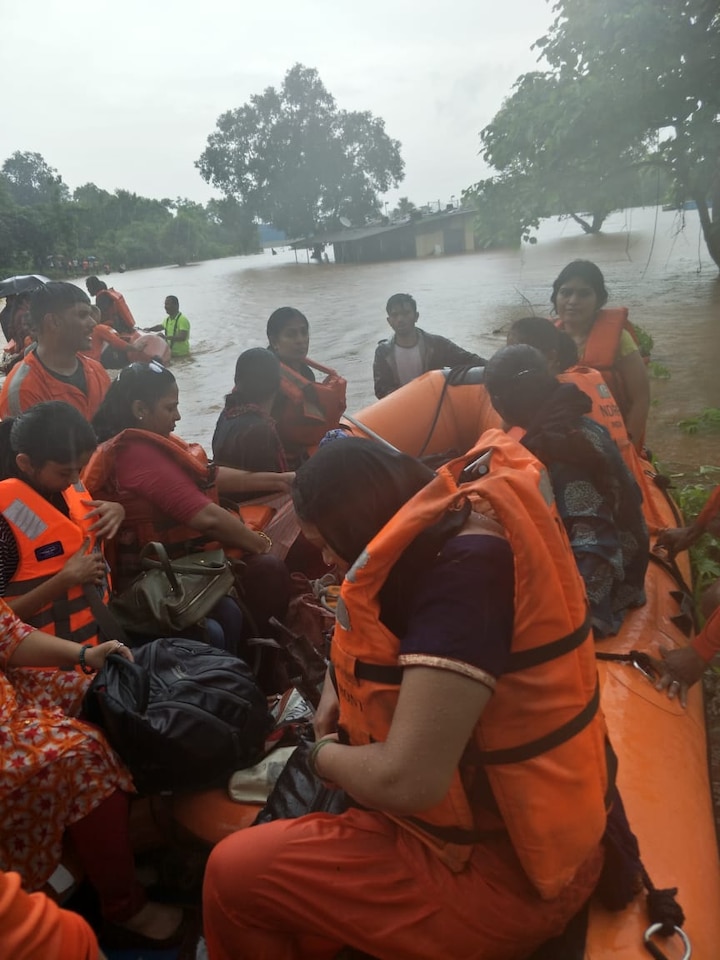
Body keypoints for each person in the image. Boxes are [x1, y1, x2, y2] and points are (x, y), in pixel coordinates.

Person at [203, 436, 609, 960]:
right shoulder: (437, 539)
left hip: (492, 875)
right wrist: (333, 690)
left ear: (361, 523)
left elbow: (409, 779)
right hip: (472, 835)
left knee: (230, 876)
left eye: (328, 544)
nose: (328, 562)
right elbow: (361, 637)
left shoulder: (463, 586)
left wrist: (320, 755)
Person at [0, 604, 183, 946]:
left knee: (107, 694)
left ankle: (114, 859)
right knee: (85, 755)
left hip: (11, 693)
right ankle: (124, 907)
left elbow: (8, 634)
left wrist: (87, 654)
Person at [85, 362, 293, 634]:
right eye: (170, 408)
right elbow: (206, 518)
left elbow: (207, 475)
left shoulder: (148, 439)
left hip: (174, 563)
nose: (179, 415)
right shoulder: (135, 455)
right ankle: (270, 665)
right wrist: (262, 545)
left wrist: (280, 480)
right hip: (149, 578)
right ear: (140, 410)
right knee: (269, 569)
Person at [485, 344, 648, 638]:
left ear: (504, 401)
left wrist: (577, 622)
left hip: (615, 582)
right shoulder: (570, 422)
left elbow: (595, 539)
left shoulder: (561, 447)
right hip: (609, 550)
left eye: (494, 397)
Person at [506, 316, 667, 533]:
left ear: (551, 358)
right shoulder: (579, 384)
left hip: (592, 502)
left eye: (518, 356)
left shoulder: (565, 405)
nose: (511, 363)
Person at [0, 402, 124, 647]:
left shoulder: (68, 484)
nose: (75, 480)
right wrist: (64, 580)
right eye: (65, 472)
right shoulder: (4, 527)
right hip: (42, 672)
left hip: (100, 641)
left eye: (80, 469)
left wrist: (117, 510)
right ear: (25, 463)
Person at [551, 260, 650, 450]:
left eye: (584, 294)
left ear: (599, 300)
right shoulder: (546, 338)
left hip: (611, 441)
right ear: (556, 296)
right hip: (559, 438)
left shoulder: (620, 339)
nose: (572, 301)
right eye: (566, 292)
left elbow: (641, 398)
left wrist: (627, 448)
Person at [0, 283, 110, 420]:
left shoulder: (97, 370)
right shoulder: (23, 390)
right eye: (82, 315)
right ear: (53, 321)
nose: (93, 323)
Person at [266, 307, 347, 469]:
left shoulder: (305, 372)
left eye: (304, 332)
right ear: (274, 341)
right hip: (282, 461)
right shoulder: (267, 378)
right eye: (291, 334)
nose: (301, 340)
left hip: (305, 448)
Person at [373, 293, 486, 399]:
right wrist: (408, 398)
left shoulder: (436, 344)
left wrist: (495, 366)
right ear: (389, 321)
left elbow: (468, 360)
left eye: (406, 313)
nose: (400, 319)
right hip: (401, 407)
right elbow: (381, 389)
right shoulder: (383, 352)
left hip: (433, 404)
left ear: (416, 316)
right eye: (395, 315)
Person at [213, 348, 287, 473]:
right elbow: (272, 484)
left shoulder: (226, 414)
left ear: (237, 381)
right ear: (279, 383)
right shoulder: (260, 429)